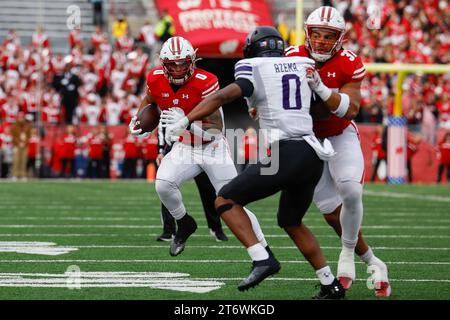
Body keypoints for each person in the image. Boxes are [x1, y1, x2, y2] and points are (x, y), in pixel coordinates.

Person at [166, 26, 344, 299]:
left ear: (252, 50)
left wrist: (185, 120)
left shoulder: (253, 66)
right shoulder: (301, 64)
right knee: (291, 220)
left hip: (287, 152)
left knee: (224, 200)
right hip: (312, 154)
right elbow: (318, 111)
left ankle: (262, 258)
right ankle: (330, 283)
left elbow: (224, 96)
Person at [129, 36, 268, 259]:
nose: (177, 69)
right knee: (163, 185)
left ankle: (264, 247)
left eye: (182, 63)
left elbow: (216, 128)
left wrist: (186, 123)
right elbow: (149, 100)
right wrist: (139, 120)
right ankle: (184, 223)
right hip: (184, 146)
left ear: (192, 60)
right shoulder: (155, 78)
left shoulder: (206, 81)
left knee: (233, 201)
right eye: (172, 64)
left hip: (212, 147)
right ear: (162, 64)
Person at [284, 6, 390, 296]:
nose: (319, 41)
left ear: (339, 38)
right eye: (315, 34)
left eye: (327, 36)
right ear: (307, 34)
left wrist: (320, 88)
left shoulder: (348, 63)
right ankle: (372, 261)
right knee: (331, 213)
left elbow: (351, 109)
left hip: (339, 133)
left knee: (351, 191)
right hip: (306, 139)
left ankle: (346, 256)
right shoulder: (291, 57)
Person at [10, 112, 32, 180]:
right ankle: (15, 175)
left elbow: (29, 136)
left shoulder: (28, 125)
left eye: (22, 117)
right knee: (16, 160)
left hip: (25, 145)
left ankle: (23, 175)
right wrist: (19, 143)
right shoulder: (14, 125)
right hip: (16, 145)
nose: (21, 118)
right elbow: (13, 136)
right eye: (20, 117)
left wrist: (25, 143)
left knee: (24, 160)